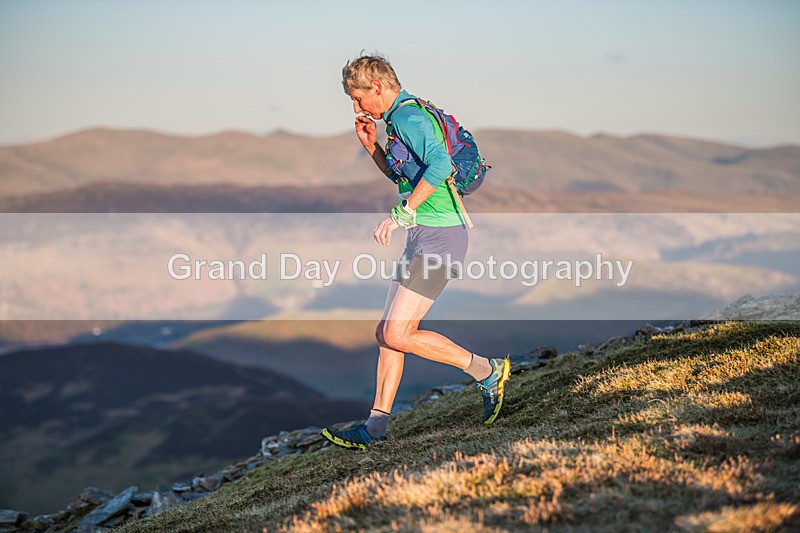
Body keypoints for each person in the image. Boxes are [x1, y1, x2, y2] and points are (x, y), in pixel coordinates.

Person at [321, 54, 510, 450]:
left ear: (377, 88)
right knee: (387, 334)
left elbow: (440, 165)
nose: (358, 108)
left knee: (396, 331)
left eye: (358, 99)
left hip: (441, 238)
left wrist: (401, 214)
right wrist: (373, 148)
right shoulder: (398, 121)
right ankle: (374, 429)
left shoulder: (407, 117)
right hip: (423, 237)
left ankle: (487, 371)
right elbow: (406, 176)